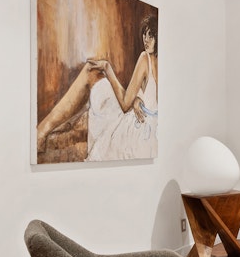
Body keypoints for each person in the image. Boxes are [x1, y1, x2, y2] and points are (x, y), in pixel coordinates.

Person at [36, 15, 158, 160]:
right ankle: (52, 129)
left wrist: (107, 68)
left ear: (158, 38)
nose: (146, 39)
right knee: (91, 95)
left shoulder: (145, 58)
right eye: (144, 34)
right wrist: (137, 99)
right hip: (150, 138)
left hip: (133, 130)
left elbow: (125, 105)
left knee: (90, 71)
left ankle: (41, 132)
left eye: (151, 35)